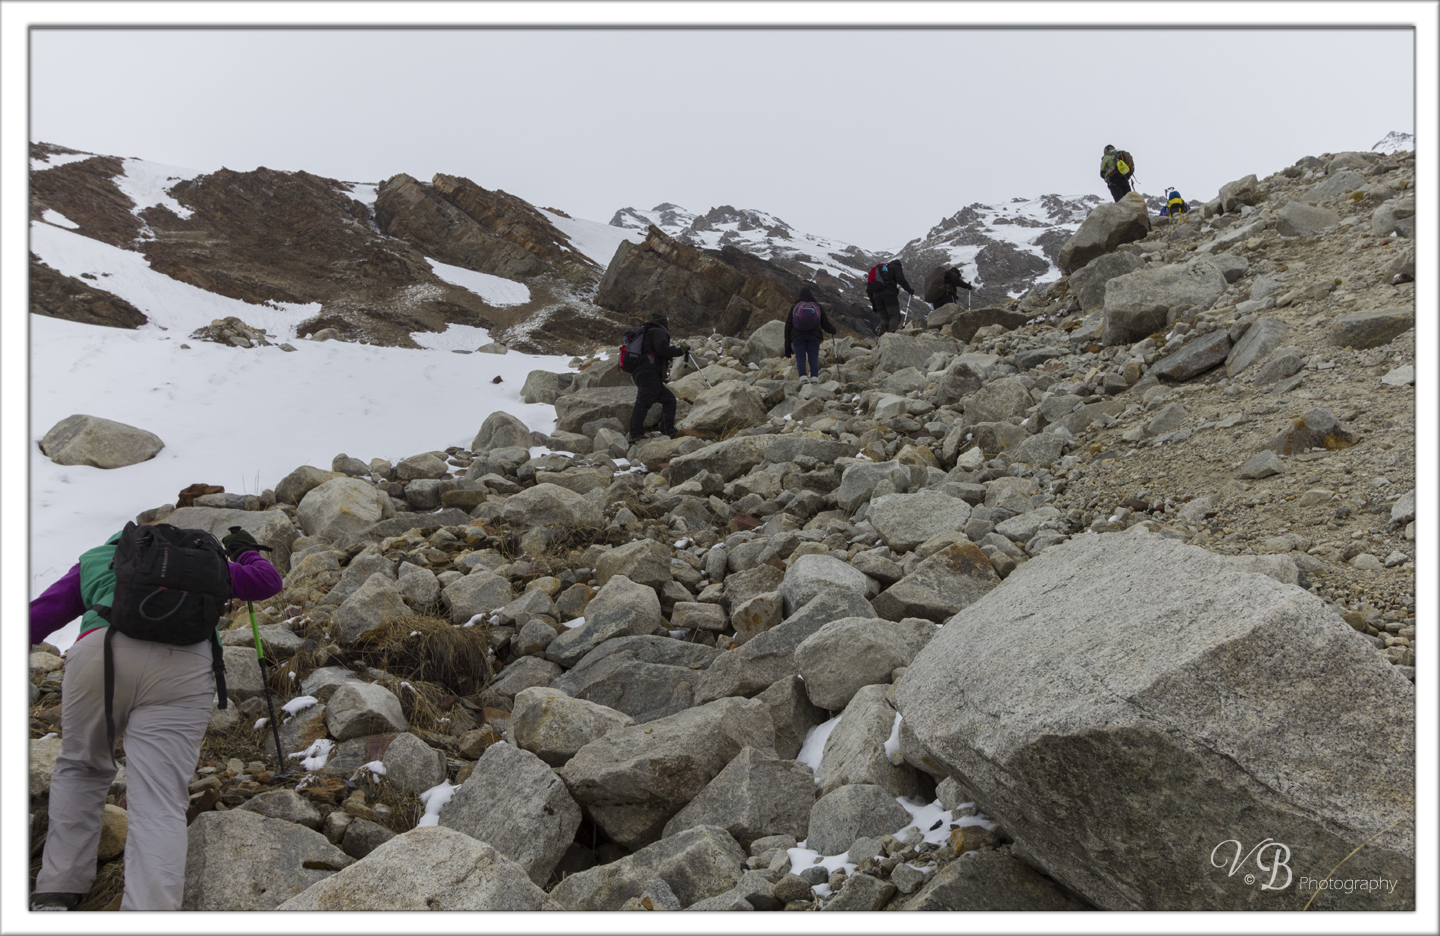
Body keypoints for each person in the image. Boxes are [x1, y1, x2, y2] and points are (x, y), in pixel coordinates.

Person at [29, 525, 282, 911]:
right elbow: (268, 582)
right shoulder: (207, 565)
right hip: (184, 665)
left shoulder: (100, 557)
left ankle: (57, 890)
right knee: (161, 797)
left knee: (82, 767)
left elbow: (37, 618)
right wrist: (245, 552)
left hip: (102, 653)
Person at [627, 312, 686, 444]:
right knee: (643, 402)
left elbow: (657, 351)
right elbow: (662, 349)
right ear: (664, 322)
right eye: (667, 322)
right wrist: (680, 351)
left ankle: (667, 429)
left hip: (641, 373)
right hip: (649, 373)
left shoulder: (647, 332)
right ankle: (635, 433)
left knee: (669, 400)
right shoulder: (658, 331)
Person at [782, 286, 837, 385]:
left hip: (797, 336)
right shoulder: (817, 307)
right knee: (813, 357)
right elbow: (825, 324)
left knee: (800, 357)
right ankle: (814, 379)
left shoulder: (795, 307)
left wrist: (787, 345)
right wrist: (832, 330)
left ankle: (803, 378)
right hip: (814, 336)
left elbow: (788, 326)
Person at [866, 260, 915, 335]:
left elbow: (869, 289)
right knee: (895, 316)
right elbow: (900, 279)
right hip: (889, 295)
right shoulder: (895, 267)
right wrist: (909, 290)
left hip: (877, 298)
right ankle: (890, 335)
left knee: (885, 318)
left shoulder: (878, 271)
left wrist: (874, 303)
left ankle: (881, 332)